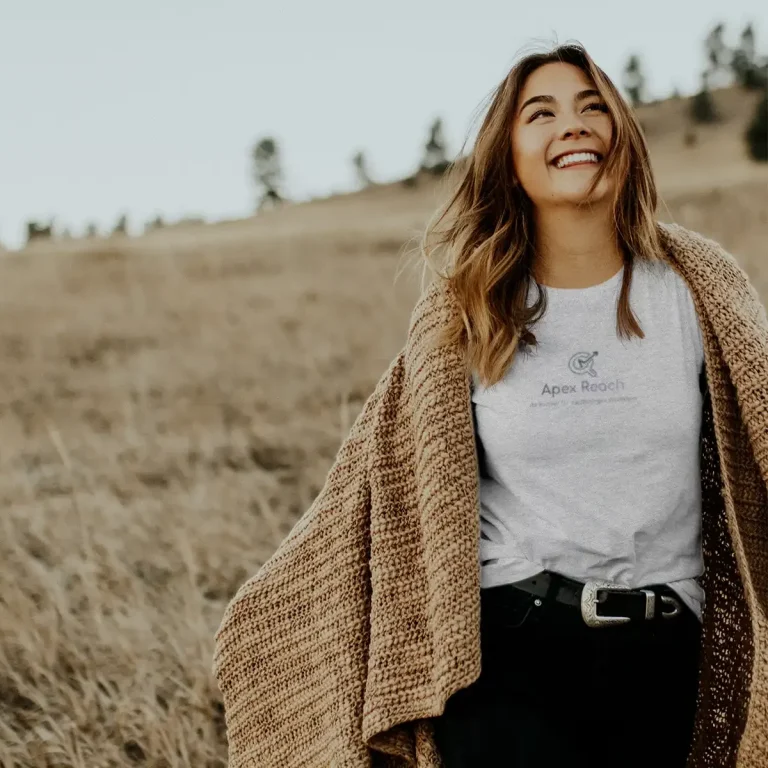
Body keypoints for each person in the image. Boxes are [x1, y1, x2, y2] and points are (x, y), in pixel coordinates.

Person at [213, 42, 768, 768]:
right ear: (509, 158)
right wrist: (270, 626)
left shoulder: (698, 287)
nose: (573, 125)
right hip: (513, 651)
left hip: (669, 654)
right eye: (542, 113)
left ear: (624, 139)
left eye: (593, 106)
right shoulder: (466, 309)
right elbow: (375, 483)